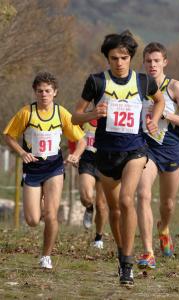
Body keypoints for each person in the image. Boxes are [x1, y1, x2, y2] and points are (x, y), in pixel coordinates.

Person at [71, 31, 165, 285]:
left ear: (130, 57)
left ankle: (128, 262)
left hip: (135, 150)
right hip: (106, 154)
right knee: (113, 210)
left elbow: (159, 101)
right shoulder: (96, 82)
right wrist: (93, 113)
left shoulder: (143, 81)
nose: (119, 62)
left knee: (126, 200)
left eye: (124, 57)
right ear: (107, 58)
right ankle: (123, 254)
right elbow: (74, 117)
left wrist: (153, 121)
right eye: (114, 58)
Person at [3, 72, 85, 269]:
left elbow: (80, 139)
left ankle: (46, 256)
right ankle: (39, 200)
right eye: (39, 91)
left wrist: (76, 155)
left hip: (54, 167)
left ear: (55, 92)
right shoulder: (26, 113)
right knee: (32, 220)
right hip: (32, 169)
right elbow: (8, 136)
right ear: (35, 92)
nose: (44, 95)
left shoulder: (61, 113)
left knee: (51, 214)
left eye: (48, 91)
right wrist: (22, 153)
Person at [137, 42, 179, 269]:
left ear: (165, 62)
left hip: (170, 148)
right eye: (148, 61)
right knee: (143, 194)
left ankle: (163, 228)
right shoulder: (138, 85)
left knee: (168, 204)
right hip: (145, 148)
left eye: (156, 60)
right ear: (143, 63)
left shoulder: (175, 87)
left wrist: (166, 115)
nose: (152, 65)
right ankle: (148, 252)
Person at [74, 119, 108, 249]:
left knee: (101, 205)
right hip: (87, 160)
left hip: (105, 161)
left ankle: (98, 237)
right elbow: (74, 136)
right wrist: (75, 154)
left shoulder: (111, 118)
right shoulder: (84, 118)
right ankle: (89, 208)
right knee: (86, 196)